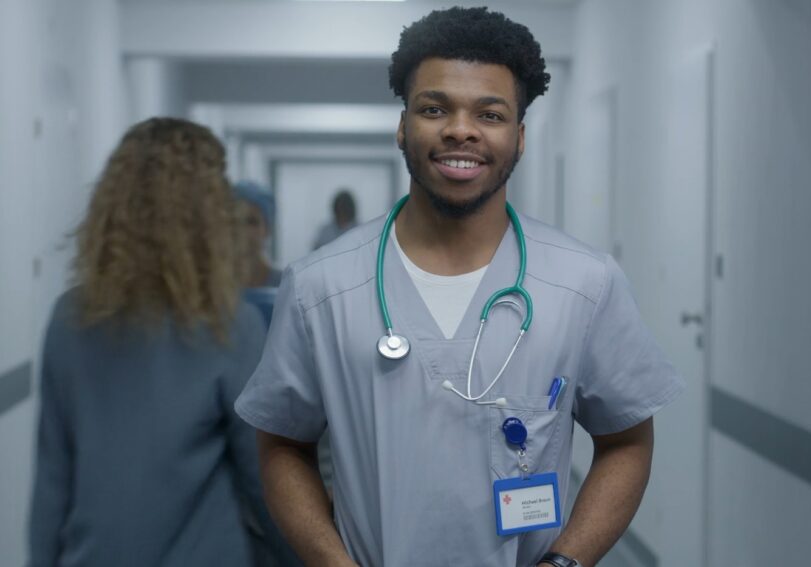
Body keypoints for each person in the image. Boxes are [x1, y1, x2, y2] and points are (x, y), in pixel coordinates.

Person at [235, 7, 683, 567]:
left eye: (489, 113)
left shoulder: (584, 283)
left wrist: (565, 563)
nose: (460, 129)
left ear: (519, 138)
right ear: (403, 126)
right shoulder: (320, 287)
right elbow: (283, 445)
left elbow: (626, 442)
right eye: (434, 108)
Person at [29, 118, 282, 567]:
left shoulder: (69, 320)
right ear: (207, 215)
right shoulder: (227, 324)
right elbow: (264, 480)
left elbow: (52, 482)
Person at [233, 181, 282, 327]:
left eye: (252, 222)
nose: (242, 231)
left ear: (267, 229)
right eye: (235, 221)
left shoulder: (286, 285)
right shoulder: (217, 287)